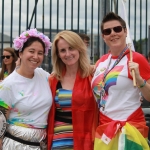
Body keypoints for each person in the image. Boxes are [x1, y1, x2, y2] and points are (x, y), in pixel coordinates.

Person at [91, 12, 150, 150]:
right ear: (103, 37)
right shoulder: (101, 61)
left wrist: (140, 80)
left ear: (125, 31)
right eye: (107, 31)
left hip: (130, 128)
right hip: (105, 129)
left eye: (117, 29)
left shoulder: (137, 59)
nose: (113, 33)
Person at [0, 28, 52, 150]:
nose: (36, 56)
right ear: (20, 53)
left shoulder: (43, 75)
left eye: (40, 53)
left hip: (41, 144)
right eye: (31, 51)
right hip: (16, 144)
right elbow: (1, 119)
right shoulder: (9, 84)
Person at [47, 30, 98, 150]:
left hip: (87, 139)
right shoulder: (53, 79)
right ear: (58, 54)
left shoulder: (94, 75)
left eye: (71, 48)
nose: (67, 53)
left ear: (79, 48)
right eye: (62, 50)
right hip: (59, 141)